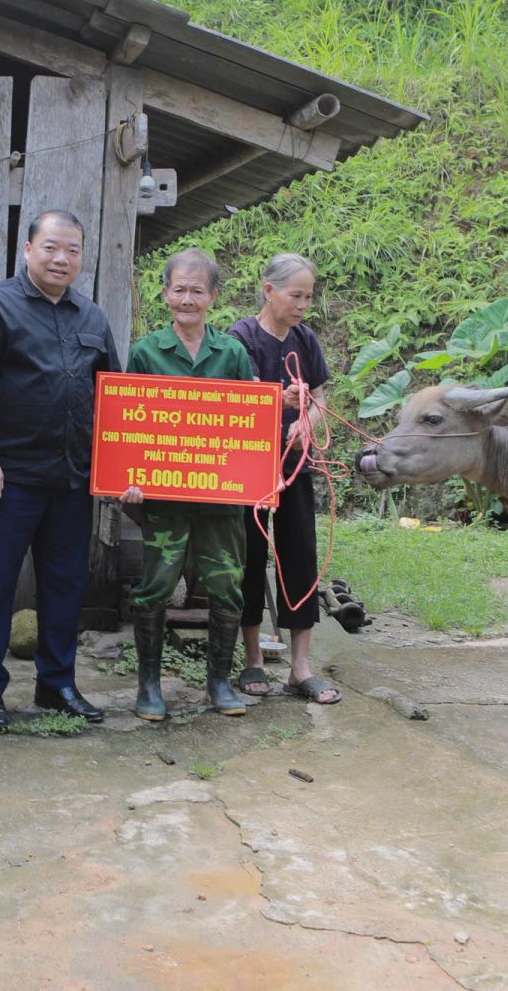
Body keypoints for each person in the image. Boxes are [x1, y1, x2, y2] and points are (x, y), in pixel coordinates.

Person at [0, 209, 119, 733]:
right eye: (51, 247)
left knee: (66, 584)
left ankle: (57, 683)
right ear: (28, 250)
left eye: (72, 250)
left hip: (74, 478)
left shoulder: (93, 318)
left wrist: (119, 472)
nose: (61, 258)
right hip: (10, 476)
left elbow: (114, 399)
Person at [120, 248, 256, 721]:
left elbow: (250, 429)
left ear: (213, 296)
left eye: (198, 291)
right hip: (166, 501)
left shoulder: (233, 353)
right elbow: (129, 426)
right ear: (165, 293)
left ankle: (218, 682)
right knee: (155, 588)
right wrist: (129, 479)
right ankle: (149, 686)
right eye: (179, 289)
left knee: (226, 589)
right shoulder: (146, 351)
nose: (188, 299)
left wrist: (258, 478)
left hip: (221, 504)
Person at [227, 252, 340, 704]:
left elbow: (319, 397)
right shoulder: (240, 338)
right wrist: (280, 402)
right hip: (251, 465)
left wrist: (305, 423)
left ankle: (300, 668)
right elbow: (237, 399)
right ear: (268, 290)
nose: (303, 305)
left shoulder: (305, 340)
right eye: (296, 295)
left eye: (309, 297)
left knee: (299, 553)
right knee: (251, 554)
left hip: (296, 463)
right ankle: (252, 660)